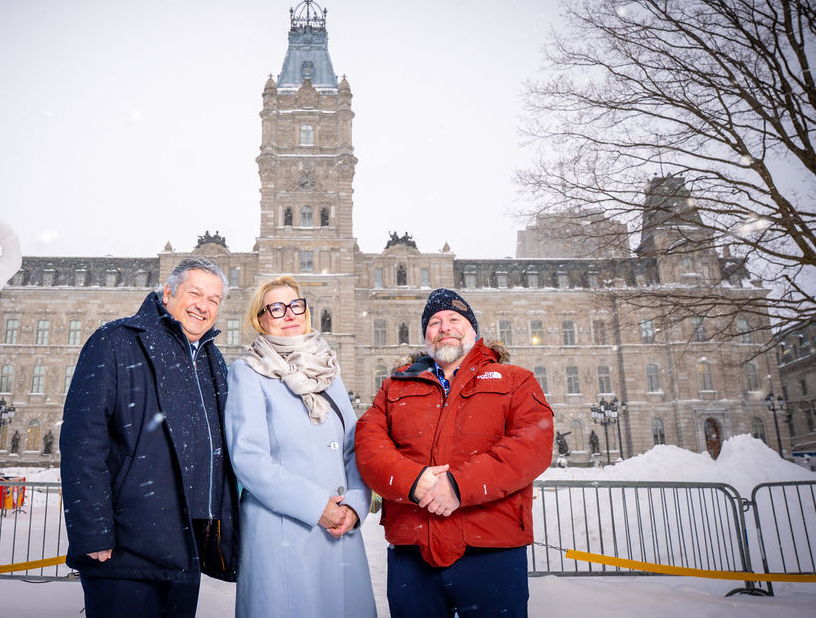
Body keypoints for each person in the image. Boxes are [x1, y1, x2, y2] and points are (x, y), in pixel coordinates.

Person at [59, 258, 240, 618]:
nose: (203, 306)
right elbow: (83, 441)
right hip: (125, 548)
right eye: (195, 293)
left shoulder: (213, 361)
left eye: (214, 300)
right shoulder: (116, 340)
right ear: (168, 292)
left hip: (186, 546)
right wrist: (94, 530)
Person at [355, 288, 553, 618]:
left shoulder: (516, 380)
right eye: (434, 322)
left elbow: (532, 445)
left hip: (490, 549)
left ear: (473, 331)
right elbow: (368, 444)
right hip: (412, 552)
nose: (445, 327)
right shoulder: (394, 387)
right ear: (426, 335)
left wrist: (459, 486)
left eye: (454, 319)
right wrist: (412, 481)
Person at [225, 276, 376, 618]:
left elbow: (354, 446)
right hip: (285, 532)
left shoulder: (328, 370)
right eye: (275, 308)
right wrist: (316, 505)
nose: (288, 314)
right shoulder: (248, 373)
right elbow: (249, 459)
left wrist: (354, 504)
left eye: (295, 305)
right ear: (259, 319)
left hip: (340, 528)